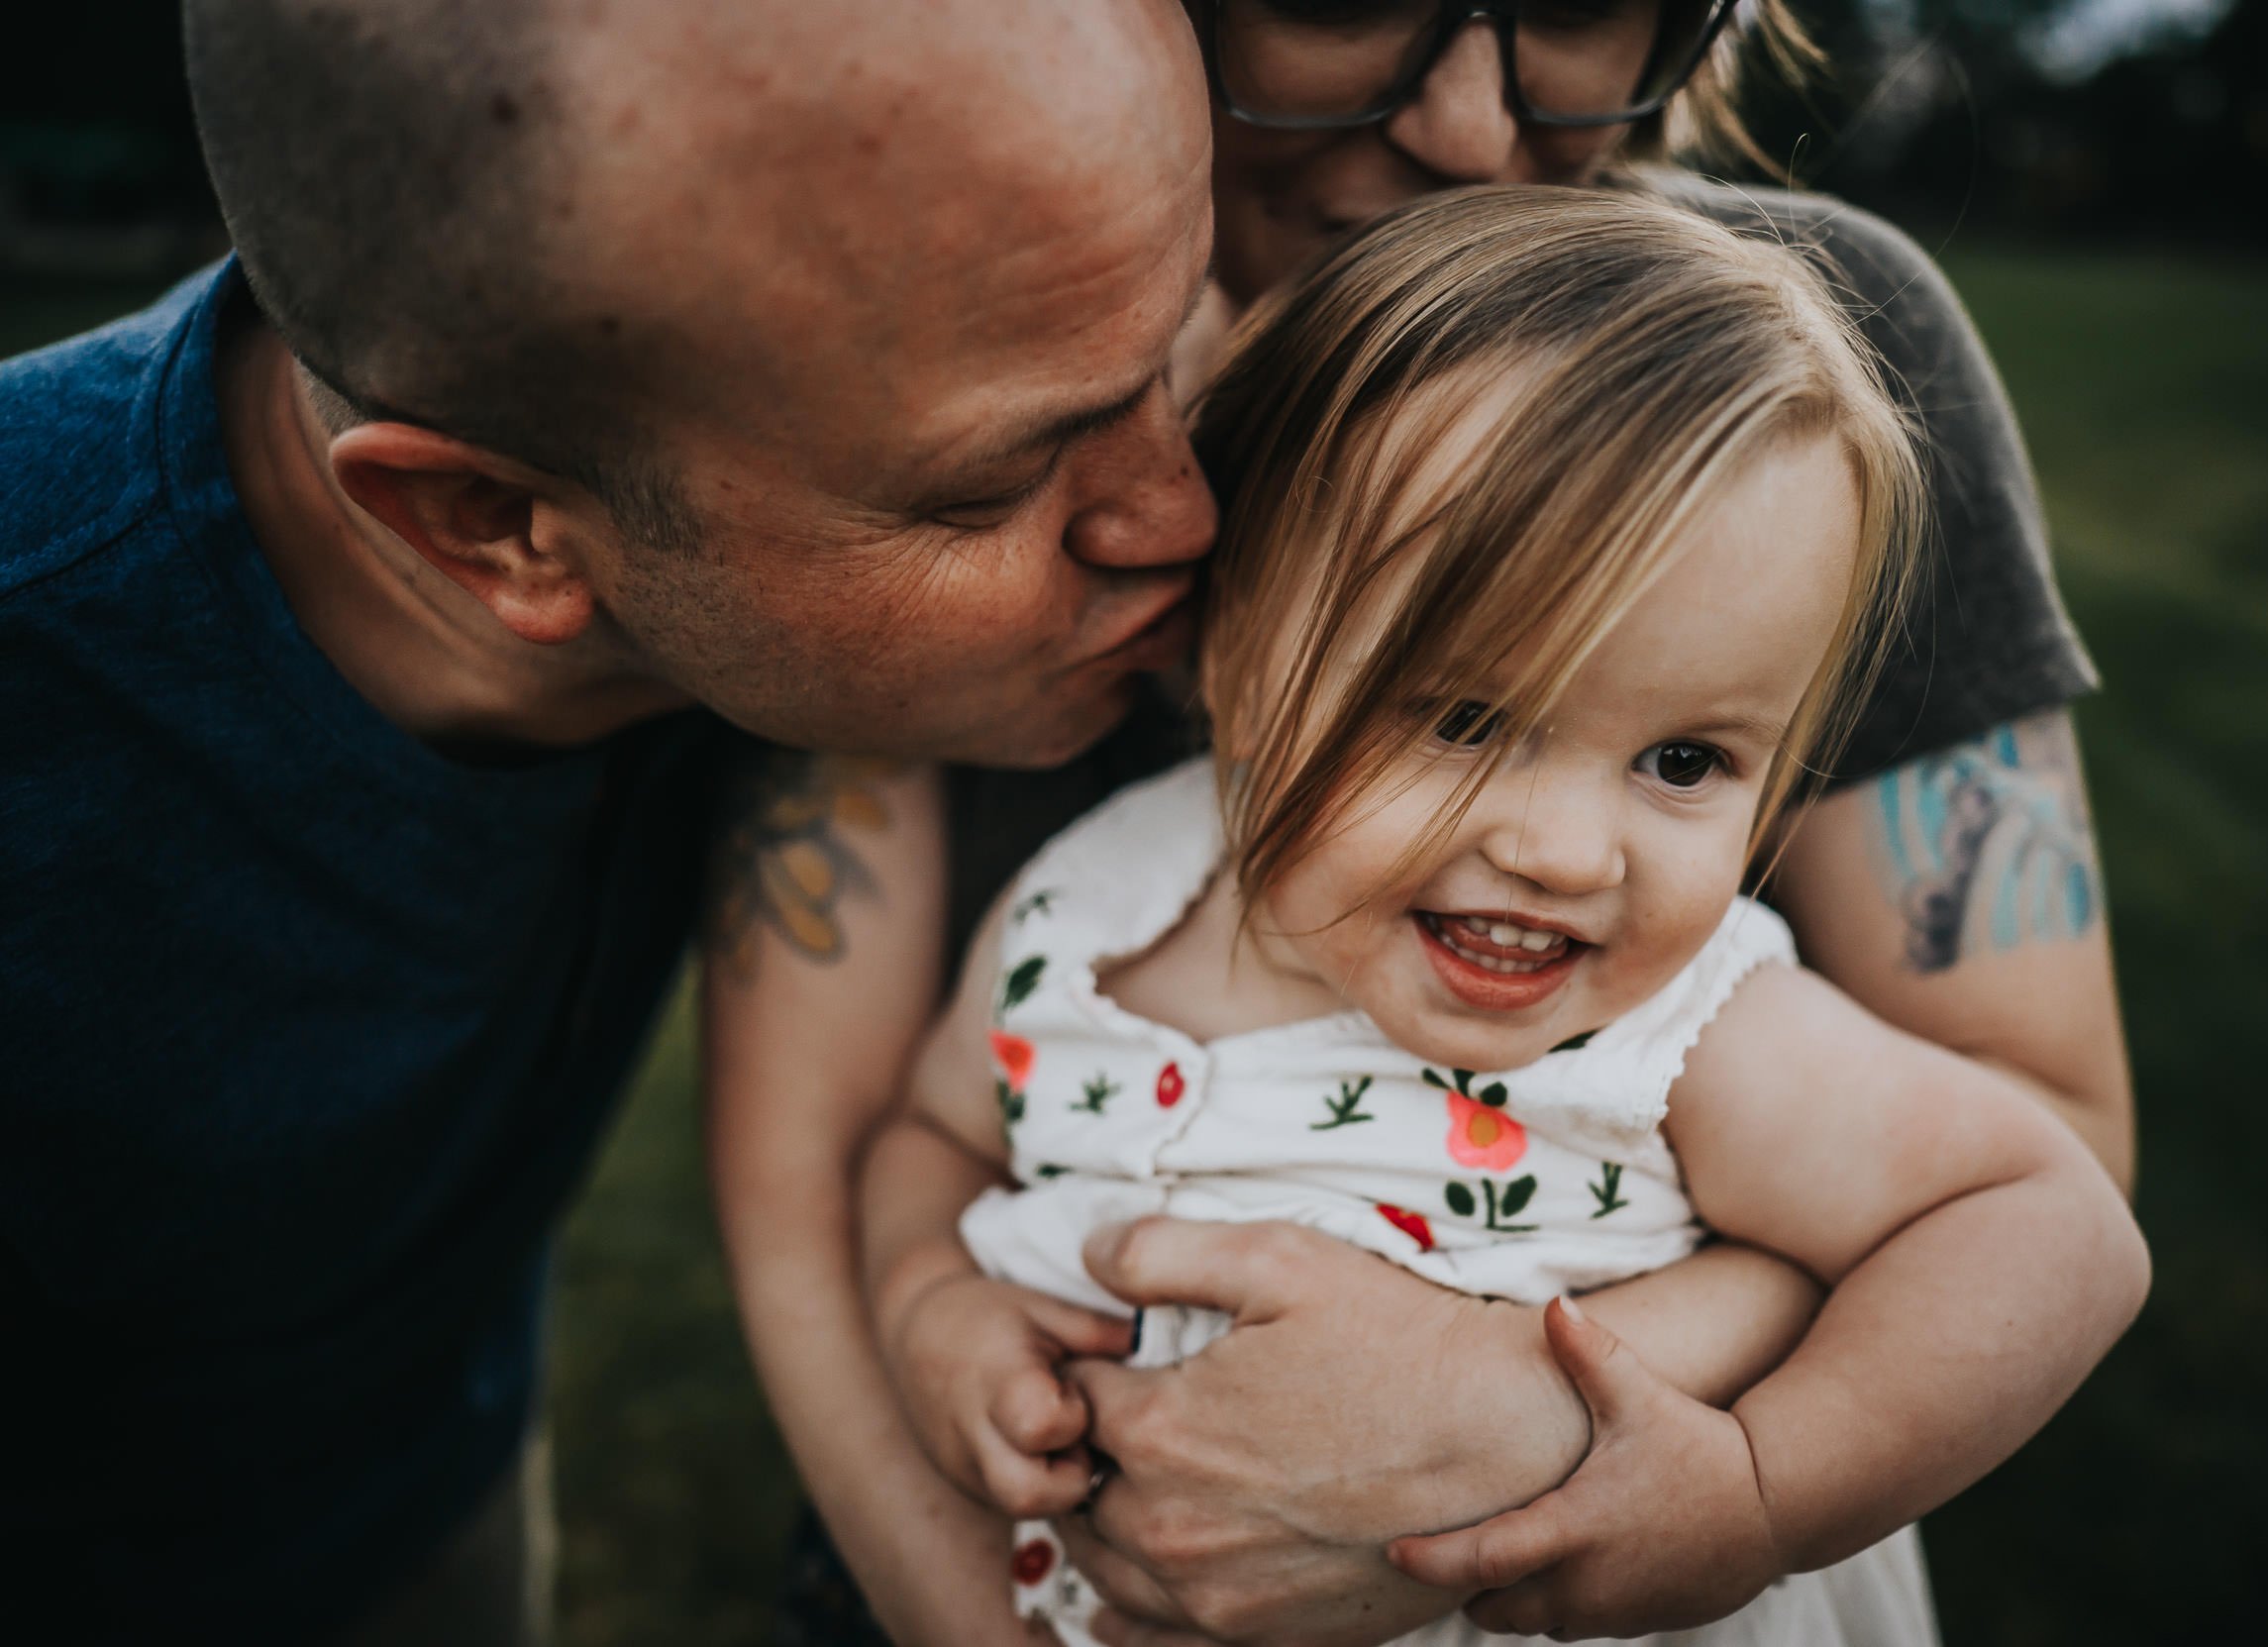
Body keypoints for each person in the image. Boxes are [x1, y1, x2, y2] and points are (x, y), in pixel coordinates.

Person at [721, 4, 2135, 1644]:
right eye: (1463, 718)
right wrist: (930, 1309)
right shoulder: (1084, 920)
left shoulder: (1685, 1031)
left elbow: (2048, 1214)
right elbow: (905, 1144)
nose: (1561, 849)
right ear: (1221, 646)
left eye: (1685, 763)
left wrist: (1744, 1481)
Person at [0, 0, 1216, 1640]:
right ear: (495, 528)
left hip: (435, 1503)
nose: (1184, 515)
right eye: (996, 486)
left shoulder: (718, 446)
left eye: (1176, 350)